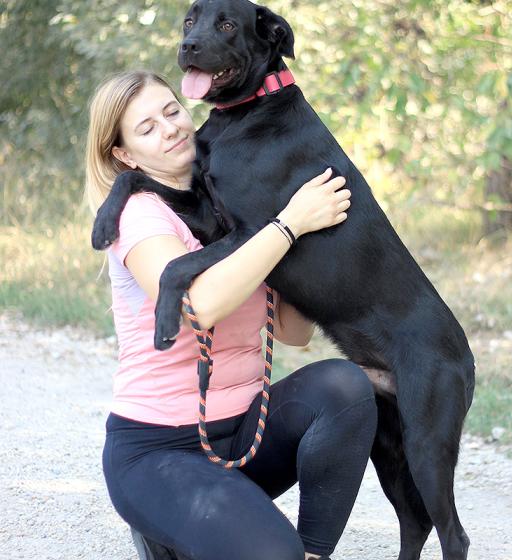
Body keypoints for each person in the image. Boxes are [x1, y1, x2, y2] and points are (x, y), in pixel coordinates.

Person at [85, 70, 377, 560]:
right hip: (158, 452)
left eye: (172, 111)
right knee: (272, 553)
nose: (170, 129)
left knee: (344, 386)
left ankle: (311, 553)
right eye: (147, 128)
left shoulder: (232, 201)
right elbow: (199, 306)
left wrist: (308, 246)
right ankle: (171, 527)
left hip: (244, 436)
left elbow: (293, 333)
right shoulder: (139, 214)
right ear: (125, 155)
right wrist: (289, 224)